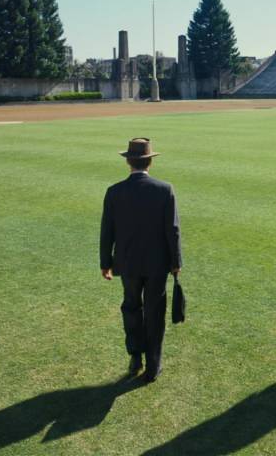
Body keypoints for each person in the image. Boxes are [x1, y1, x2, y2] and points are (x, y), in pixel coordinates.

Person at [100, 138, 182, 382]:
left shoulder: (114, 192)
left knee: (131, 308)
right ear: (150, 162)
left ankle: (135, 356)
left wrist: (106, 263)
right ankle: (153, 365)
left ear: (128, 162)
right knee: (155, 313)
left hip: (127, 263)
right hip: (158, 263)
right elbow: (173, 230)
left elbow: (107, 231)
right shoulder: (165, 190)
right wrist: (176, 262)